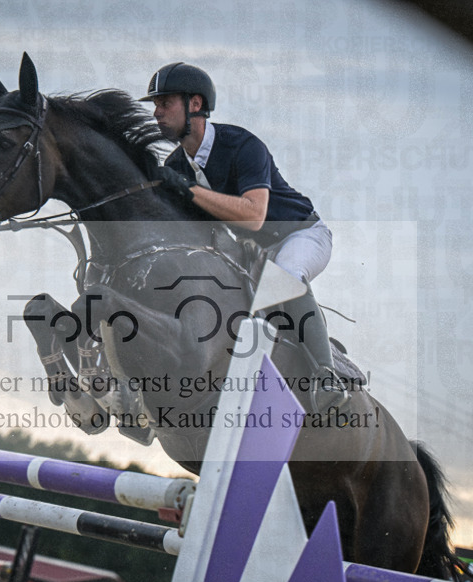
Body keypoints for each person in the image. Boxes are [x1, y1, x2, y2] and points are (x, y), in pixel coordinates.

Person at [140, 62, 347, 410]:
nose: (157, 113)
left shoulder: (242, 145)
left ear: (195, 104)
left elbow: (253, 215)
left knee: (285, 275)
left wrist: (189, 191)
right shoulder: (176, 165)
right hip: (249, 253)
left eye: (165, 103)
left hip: (300, 235)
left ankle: (326, 376)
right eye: (156, 105)